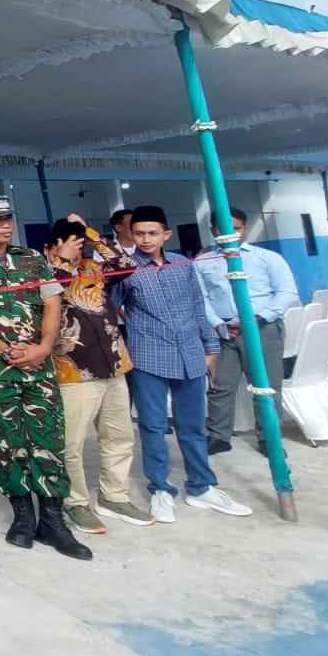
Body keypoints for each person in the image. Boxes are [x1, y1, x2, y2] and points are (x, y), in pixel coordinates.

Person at [0, 195, 92, 561]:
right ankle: (23, 517)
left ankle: (54, 522)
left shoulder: (32, 259)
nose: (5, 224)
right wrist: (5, 351)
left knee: (48, 439)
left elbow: (52, 305)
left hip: (40, 365)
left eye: (8, 217)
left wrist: (44, 347)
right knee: (8, 443)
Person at [112, 205, 252, 523]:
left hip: (190, 355)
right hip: (148, 358)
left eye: (152, 233)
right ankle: (160, 490)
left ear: (166, 234)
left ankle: (202, 487)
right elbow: (110, 307)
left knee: (192, 426)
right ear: (130, 235)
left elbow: (198, 306)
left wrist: (211, 347)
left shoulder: (183, 265)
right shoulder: (125, 269)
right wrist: (134, 328)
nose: (146, 240)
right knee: (153, 426)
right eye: (139, 233)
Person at [42, 216, 153, 532]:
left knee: (119, 437)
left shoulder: (93, 269)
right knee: (71, 444)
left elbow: (126, 263)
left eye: (78, 245)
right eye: (68, 243)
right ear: (49, 247)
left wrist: (91, 233)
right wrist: (62, 261)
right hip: (73, 372)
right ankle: (75, 502)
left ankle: (114, 496)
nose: (75, 251)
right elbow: (49, 293)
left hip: (114, 366)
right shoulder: (41, 275)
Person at [198, 207, 299, 454]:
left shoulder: (267, 258)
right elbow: (201, 298)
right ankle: (219, 436)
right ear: (213, 230)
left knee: (265, 386)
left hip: (262, 329)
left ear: (246, 229)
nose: (230, 235)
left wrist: (259, 318)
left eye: (237, 229)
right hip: (225, 332)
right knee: (221, 386)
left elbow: (287, 293)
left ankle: (268, 439)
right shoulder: (203, 261)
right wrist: (218, 325)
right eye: (223, 230)